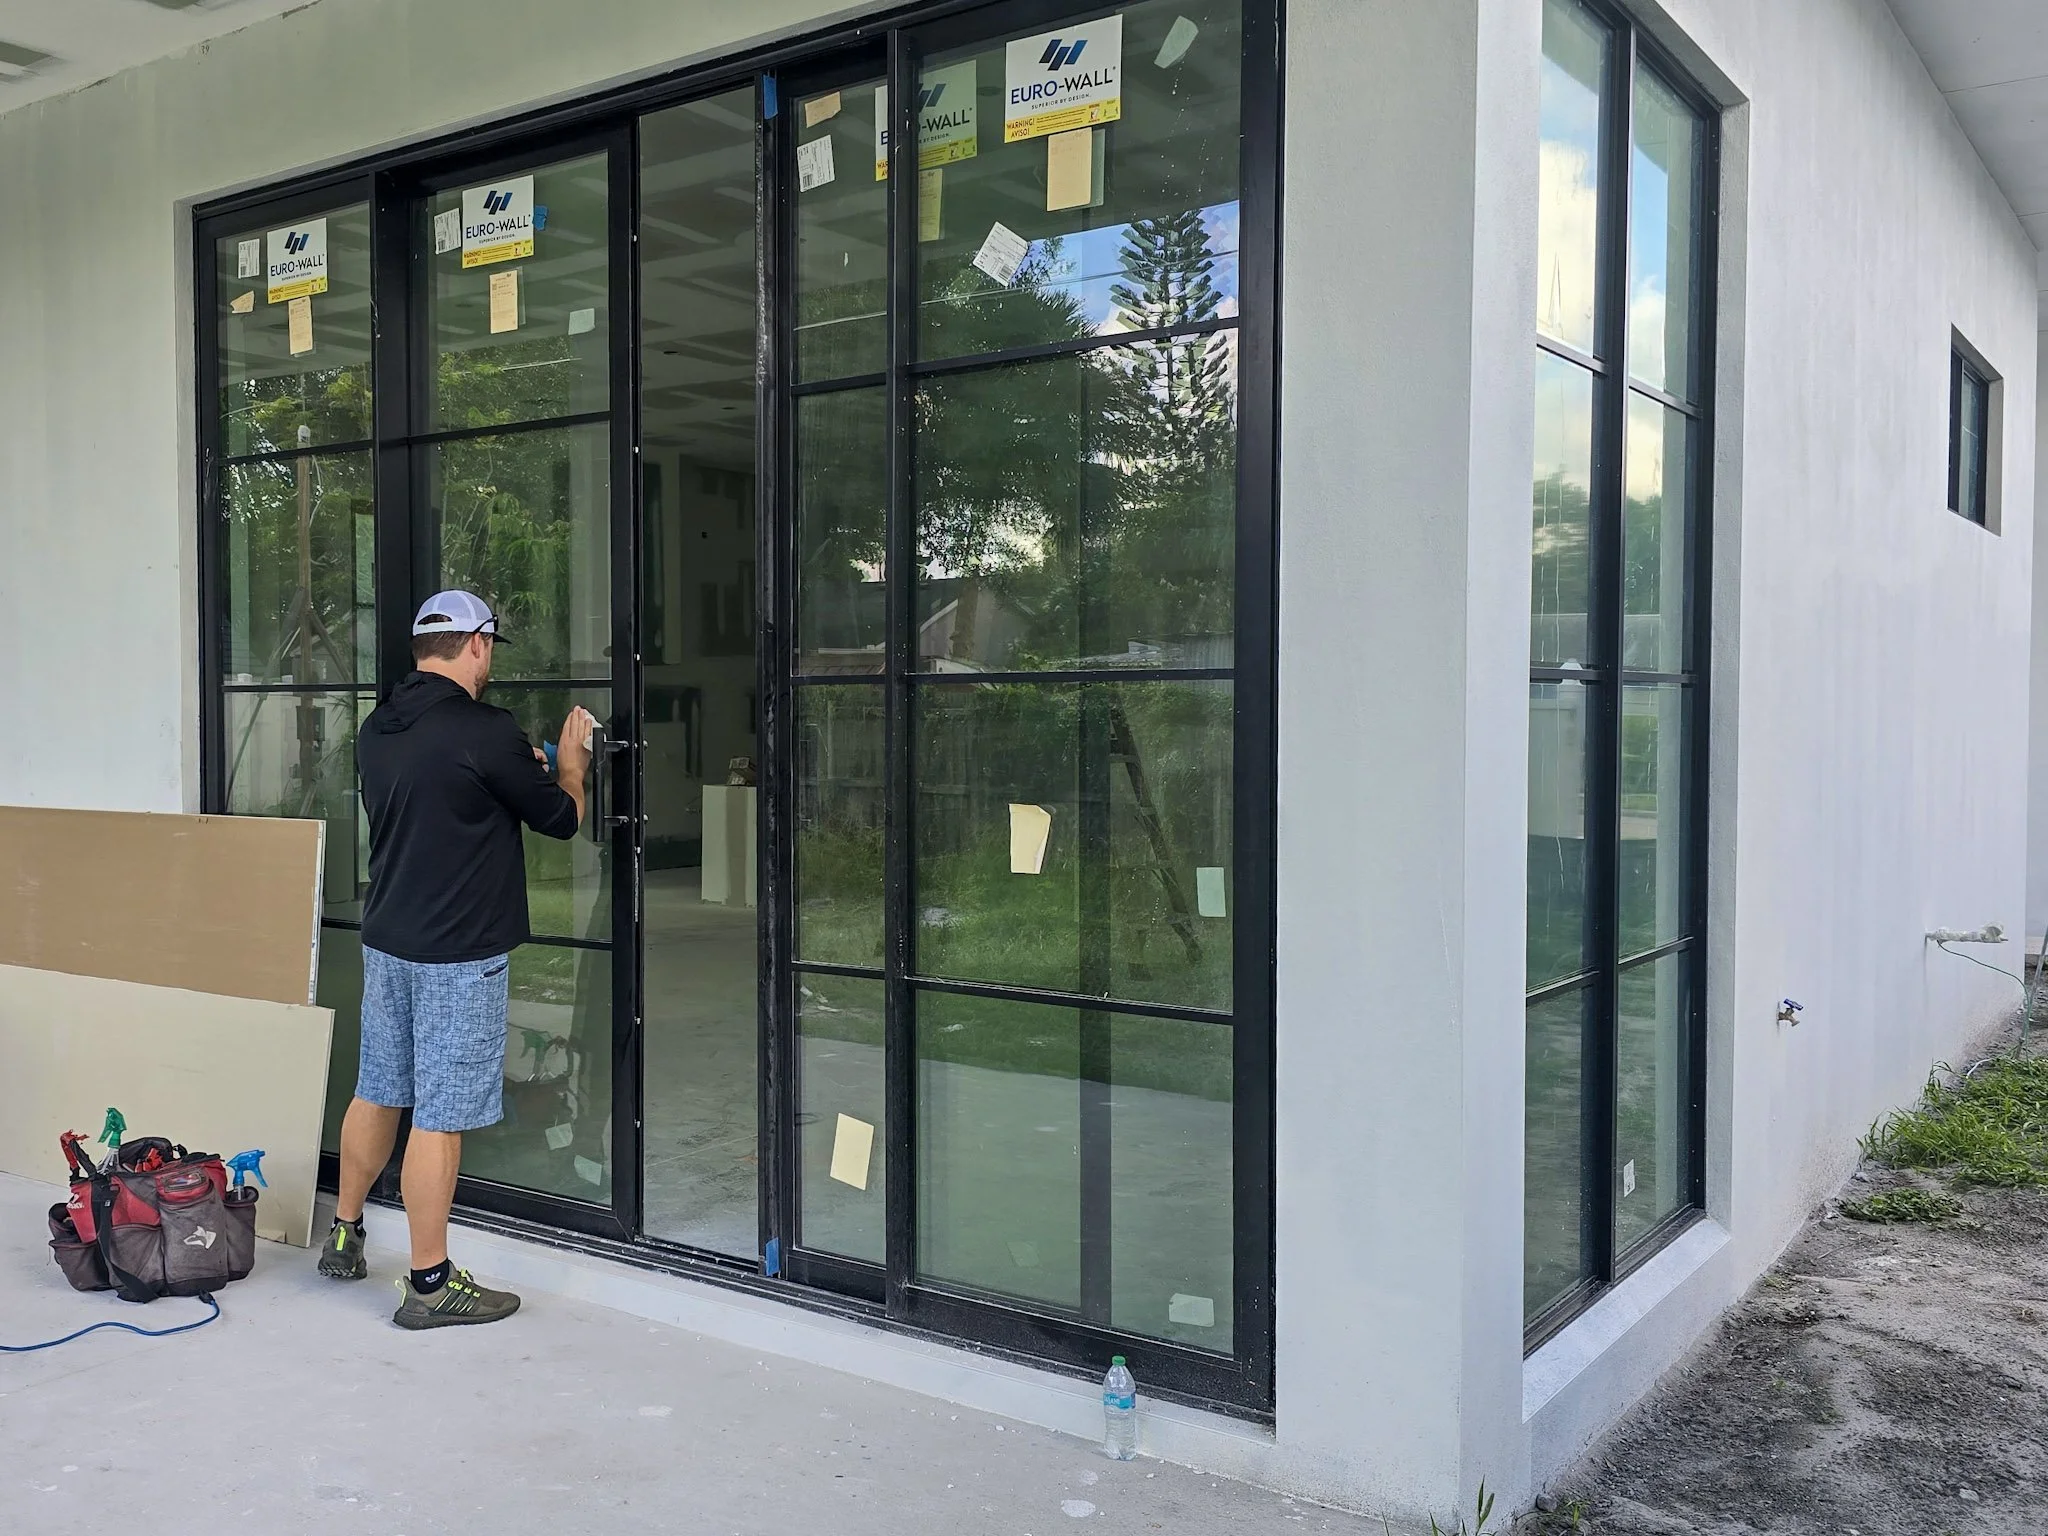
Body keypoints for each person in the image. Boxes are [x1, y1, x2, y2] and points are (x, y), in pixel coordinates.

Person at [318, 589, 595, 1330]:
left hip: (389, 939)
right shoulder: (485, 729)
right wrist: (570, 765)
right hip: (458, 956)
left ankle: (345, 1233)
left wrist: (515, 764)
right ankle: (430, 1284)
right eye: (490, 647)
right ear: (477, 644)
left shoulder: (379, 727)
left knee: (378, 1089)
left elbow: (446, 792)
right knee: (439, 1117)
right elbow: (560, 819)